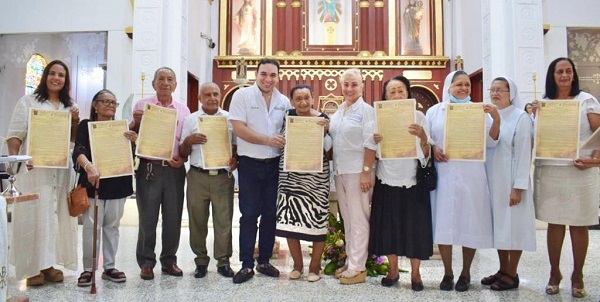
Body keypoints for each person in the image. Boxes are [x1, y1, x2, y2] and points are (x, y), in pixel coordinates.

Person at [531, 57, 600, 298]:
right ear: (552, 76)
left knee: (579, 225)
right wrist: (534, 114)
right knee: (555, 222)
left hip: (580, 172)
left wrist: (595, 160)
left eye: (568, 71)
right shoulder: (544, 103)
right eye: (559, 71)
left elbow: (599, 134)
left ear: (574, 75)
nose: (564, 75)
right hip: (551, 170)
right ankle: (554, 272)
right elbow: (534, 136)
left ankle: (578, 274)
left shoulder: (586, 101)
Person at [425, 70, 500, 292]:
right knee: (444, 224)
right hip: (445, 173)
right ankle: (448, 272)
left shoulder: (480, 111)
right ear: (448, 87)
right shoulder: (434, 112)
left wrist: (495, 118)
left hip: (472, 175)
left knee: (470, 221)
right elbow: (426, 139)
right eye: (459, 84)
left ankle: (466, 272)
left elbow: (492, 142)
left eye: (467, 85)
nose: (464, 88)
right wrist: (433, 149)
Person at [6, 60, 79, 286]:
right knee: (32, 217)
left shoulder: (69, 106)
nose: (56, 78)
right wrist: (17, 164)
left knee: (52, 219)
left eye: (61, 75)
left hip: (59, 170)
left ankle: (48, 265)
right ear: (45, 76)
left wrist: (75, 120)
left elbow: (74, 138)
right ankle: (31, 268)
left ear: (66, 81)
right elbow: (15, 135)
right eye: (53, 74)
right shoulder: (28, 102)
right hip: (34, 170)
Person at [228, 58, 291, 284]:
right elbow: (239, 129)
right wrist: (267, 140)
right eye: (264, 74)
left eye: (273, 75)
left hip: (274, 166)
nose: (268, 79)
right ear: (257, 74)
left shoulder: (283, 101)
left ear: (278, 77)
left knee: (270, 215)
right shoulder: (242, 96)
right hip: (250, 165)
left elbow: (292, 127)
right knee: (249, 215)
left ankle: (264, 260)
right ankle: (246, 264)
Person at [368, 75, 432, 291]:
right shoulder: (378, 117)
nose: (396, 95)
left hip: (413, 181)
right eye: (391, 91)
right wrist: (374, 142)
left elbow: (426, 153)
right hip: (386, 180)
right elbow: (372, 153)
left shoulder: (419, 117)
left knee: (415, 229)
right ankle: (393, 270)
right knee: (388, 229)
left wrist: (422, 136)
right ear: (385, 96)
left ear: (408, 93)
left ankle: (415, 274)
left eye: (400, 91)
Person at [129, 67, 191, 280]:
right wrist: (137, 122)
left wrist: (182, 159)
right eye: (161, 79)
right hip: (149, 168)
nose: (165, 83)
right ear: (154, 83)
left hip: (174, 169)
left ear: (175, 84)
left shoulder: (184, 111)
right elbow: (133, 137)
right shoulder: (142, 106)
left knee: (173, 217)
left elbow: (186, 141)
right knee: (148, 217)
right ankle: (146, 262)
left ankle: (169, 261)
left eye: (170, 79)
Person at [73, 89, 136, 286]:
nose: (110, 105)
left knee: (112, 226)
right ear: (95, 105)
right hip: (94, 182)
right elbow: (78, 151)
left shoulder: (121, 128)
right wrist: (89, 167)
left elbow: (129, 157)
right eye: (105, 101)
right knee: (92, 227)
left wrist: (133, 142)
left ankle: (109, 267)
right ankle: (88, 269)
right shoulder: (86, 125)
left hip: (117, 182)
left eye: (113, 102)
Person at [482, 77, 536, 291]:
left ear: (510, 93)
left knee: (514, 227)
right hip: (495, 179)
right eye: (492, 90)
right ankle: (502, 268)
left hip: (512, 180)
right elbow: (490, 143)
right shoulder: (490, 116)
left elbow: (524, 153)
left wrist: (518, 187)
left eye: (500, 90)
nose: (495, 93)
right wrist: (494, 119)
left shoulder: (521, 117)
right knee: (501, 227)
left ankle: (512, 273)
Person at [179, 82, 237, 279]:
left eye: (215, 93)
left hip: (222, 177)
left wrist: (235, 159)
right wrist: (189, 141)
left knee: (224, 221)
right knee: (197, 221)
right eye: (207, 95)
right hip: (197, 176)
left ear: (220, 95)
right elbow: (182, 153)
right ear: (199, 98)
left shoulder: (229, 119)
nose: (212, 98)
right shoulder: (190, 120)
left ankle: (223, 261)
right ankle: (201, 261)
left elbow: (236, 146)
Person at [275, 84, 331, 283]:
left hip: (315, 180)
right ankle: (297, 265)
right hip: (290, 178)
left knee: (317, 221)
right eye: (298, 98)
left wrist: (325, 133)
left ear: (313, 98)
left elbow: (330, 151)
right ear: (291, 101)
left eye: (306, 97)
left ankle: (314, 266)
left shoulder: (323, 120)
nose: (303, 102)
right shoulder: (286, 118)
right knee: (290, 221)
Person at [328, 68, 377, 285]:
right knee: (347, 219)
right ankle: (350, 261)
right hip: (340, 171)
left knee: (359, 219)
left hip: (358, 172)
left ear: (362, 86)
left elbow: (370, 143)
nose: (349, 88)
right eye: (346, 84)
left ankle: (358, 267)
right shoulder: (339, 111)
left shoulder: (367, 111)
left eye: (354, 84)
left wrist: (366, 173)